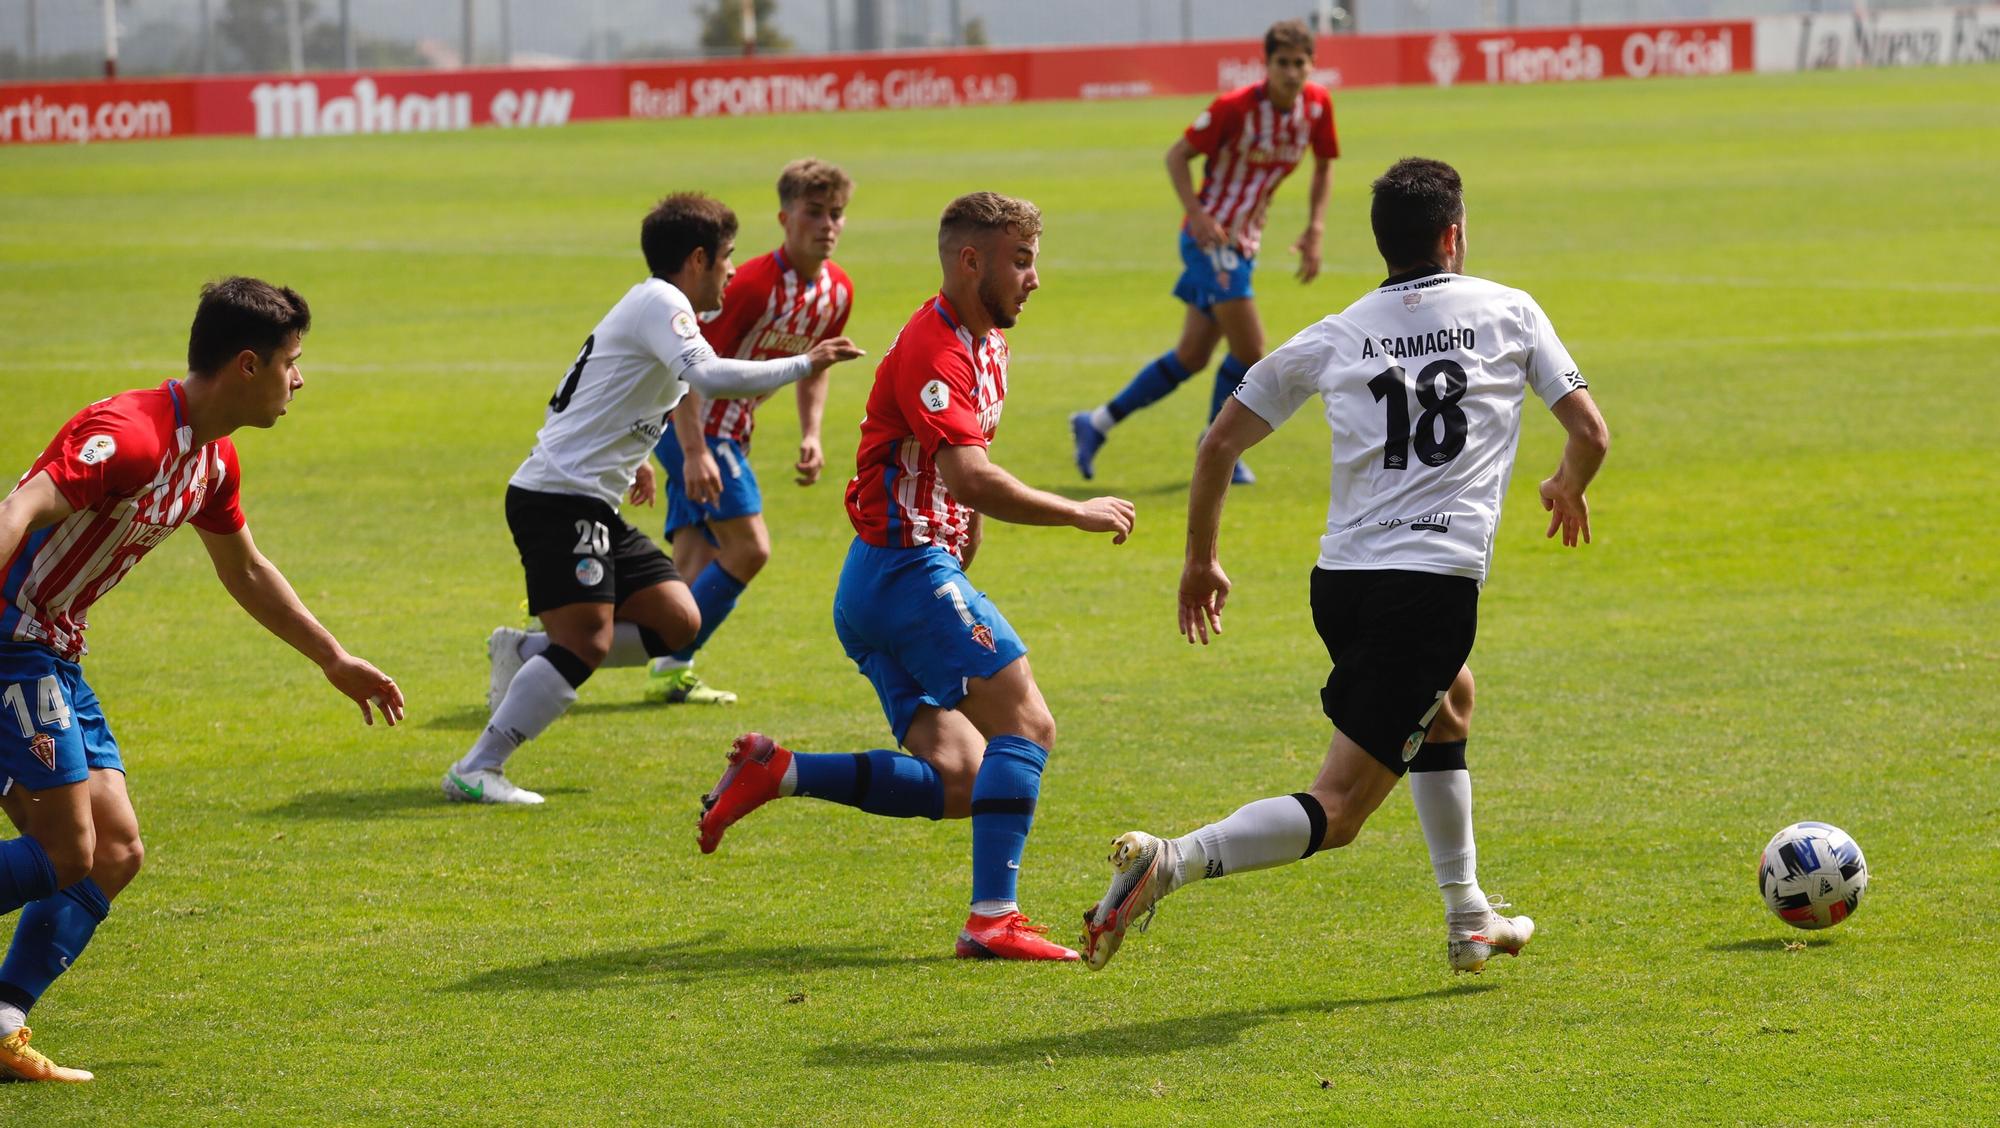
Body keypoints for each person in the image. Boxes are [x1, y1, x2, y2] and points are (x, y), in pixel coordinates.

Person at [1078, 157, 1610, 973]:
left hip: (1343, 586)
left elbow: (1218, 441)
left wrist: (1200, 562)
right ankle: (1172, 860)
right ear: (1453, 235)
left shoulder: (1339, 330)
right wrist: (1566, 483)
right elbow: (1591, 431)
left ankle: (1469, 914)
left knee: (1450, 703)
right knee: (1342, 806)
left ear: (1383, 244)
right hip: (1428, 589)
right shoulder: (1511, 311)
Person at [696, 192, 1136, 962]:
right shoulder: (935, 349)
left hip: (879, 581)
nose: (1035, 279)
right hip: (903, 573)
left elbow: (963, 474)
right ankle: (991, 918)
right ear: (972, 262)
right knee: (1027, 725)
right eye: (1022, 261)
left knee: (962, 778)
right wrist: (1074, 512)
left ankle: (780, 772)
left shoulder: (986, 342)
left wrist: (966, 549)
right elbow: (969, 478)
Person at [0, 277, 405, 1081]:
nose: (301, 379)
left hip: (57, 649)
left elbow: (246, 570)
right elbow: (23, 503)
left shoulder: (213, 461)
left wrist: (332, 657)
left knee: (113, 851)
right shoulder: (133, 433)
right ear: (247, 365)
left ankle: (3, 1019)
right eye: (292, 363)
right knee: (68, 848)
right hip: (10, 640)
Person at [449, 193, 862, 805]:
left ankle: (526, 650)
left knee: (677, 621)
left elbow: (597, 390)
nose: (731, 269)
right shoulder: (661, 301)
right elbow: (711, 375)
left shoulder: (657, 309)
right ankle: (478, 766)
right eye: (725, 257)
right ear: (697, 259)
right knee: (586, 642)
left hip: (591, 500)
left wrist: (638, 456)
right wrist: (806, 360)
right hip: (560, 498)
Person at [1070, 18, 1338, 486]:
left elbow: (1323, 165)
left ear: (1312, 65)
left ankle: (1096, 423)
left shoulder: (1317, 107)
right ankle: (1217, 445)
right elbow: (1177, 156)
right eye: (1282, 63)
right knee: (1253, 349)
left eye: (1300, 63)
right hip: (1210, 242)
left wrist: (1315, 227)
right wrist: (1196, 214)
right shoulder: (1234, 108)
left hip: (1245, 242)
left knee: (1192, 355)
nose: (1292, 73)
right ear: (1266, 64)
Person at [644, 158, 857, 707]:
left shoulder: (837, 292)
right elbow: (687, 365)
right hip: (695, 427)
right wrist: (693, 451)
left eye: (836, 214)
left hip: (731, 433)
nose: (827, 225)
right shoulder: (753, 285)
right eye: (814, 212)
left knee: (693, 561)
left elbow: (816, 367)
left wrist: (811, 433)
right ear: (785, 218)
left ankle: (561, 635)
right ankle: (670, 656)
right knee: (750, 548)